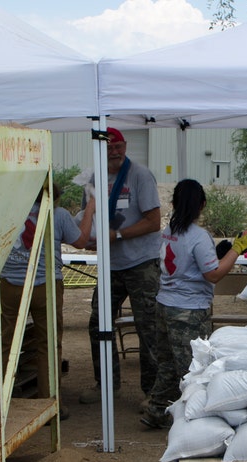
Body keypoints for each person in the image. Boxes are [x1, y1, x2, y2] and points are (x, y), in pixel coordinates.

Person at [140, 180, 247, 429]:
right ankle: (189, 421)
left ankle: (156, 410)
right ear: (202, 205)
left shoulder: (169, 231)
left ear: (173, 204)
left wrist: (221, 252)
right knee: (192, 369)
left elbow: (192, 262)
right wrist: (236, 251)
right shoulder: (198, 236)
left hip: (164, 305)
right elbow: (212, 274)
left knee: (168, 364)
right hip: (188, 311)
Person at [0, 183, 95, 420]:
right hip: (45, 284)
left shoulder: (7, 210)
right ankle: (48, 403)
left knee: (3, 341)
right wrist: (90, 209)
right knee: (48, 345)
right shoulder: (57, 215)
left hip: (9, 283)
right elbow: (81, 241)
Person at [80, 128, 162, 406]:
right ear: (101, 150)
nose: (115, 151)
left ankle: (152, 392)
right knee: (97, 324)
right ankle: (105, 384)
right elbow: (88, 219)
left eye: (119, 146)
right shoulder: (94, 179)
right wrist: (90, 239)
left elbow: (154, 221)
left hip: (141, 264)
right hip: (110, 265)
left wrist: (117, 235)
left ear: (125, 146)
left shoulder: (140, 175)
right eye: (110, 147)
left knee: (147, 326)